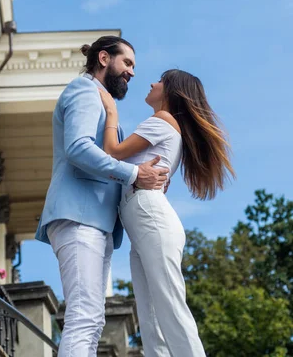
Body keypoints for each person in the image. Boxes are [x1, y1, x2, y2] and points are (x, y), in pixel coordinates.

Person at [35, 36, 170, 356]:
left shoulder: (100, 99)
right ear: (105, 58)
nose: (133, 73)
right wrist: (137, 174)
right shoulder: (84, 91)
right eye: (128, 63)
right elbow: (79, 149)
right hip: (79, 215)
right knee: (84, 317)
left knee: (93, 320)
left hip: (95, 221)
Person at [98, 69, 235, 357]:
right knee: (151, 321)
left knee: (170, 307)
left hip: (150, 218)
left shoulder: (162, 120)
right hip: (143, 224)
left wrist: (111, 112)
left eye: (160, 80)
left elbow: (113, 152)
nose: (151, 83)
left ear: (171, 91)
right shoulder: (168, 126)